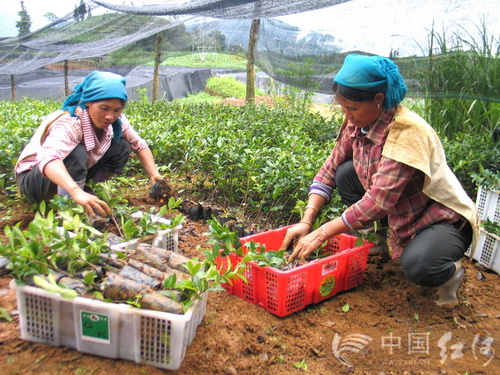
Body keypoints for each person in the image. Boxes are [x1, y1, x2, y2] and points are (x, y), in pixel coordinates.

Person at [281, 54, 479, 306]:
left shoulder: (406, 131)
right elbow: (329, 169)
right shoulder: (358, 122)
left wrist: (321, 233)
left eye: (352, 108)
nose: (347, 115)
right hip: (400, 209)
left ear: (379, 99)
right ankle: (375, 242)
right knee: (346, 173)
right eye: (342, 107)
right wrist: (306, 220)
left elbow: (379, 201)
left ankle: (451, 274)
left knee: (419, 266)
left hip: (438, 218)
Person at [15, 71, 164, 218]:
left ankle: (86, 192)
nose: (110, 116)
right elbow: (48, 157)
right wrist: (74, 191)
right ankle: (67, 209)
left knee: (122, 146)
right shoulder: (71, 123)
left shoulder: (117, 122)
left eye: (116, 110)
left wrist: (154, 175)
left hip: (70, 175)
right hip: (35, 180)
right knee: (77, 152)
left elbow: (139, 145)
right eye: (104, 108)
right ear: (88, 102)